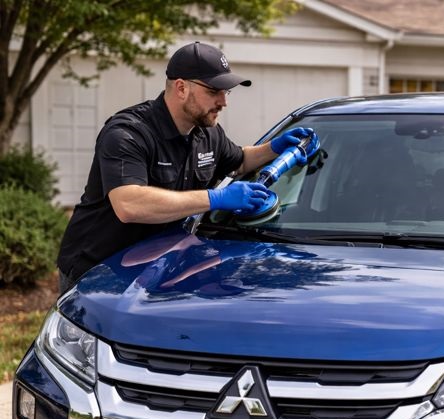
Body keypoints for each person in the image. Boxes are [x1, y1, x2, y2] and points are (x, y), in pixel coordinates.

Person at [56, 41, 316, 294]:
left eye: (226, 92)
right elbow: (129, 204)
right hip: (99, 274)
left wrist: (274, 148)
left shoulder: (207, 133)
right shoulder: (128, 134)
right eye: (214, 91)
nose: (223, 102)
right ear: (181, 88)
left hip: (160, 266)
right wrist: (215, 198)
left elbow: (239, 161)